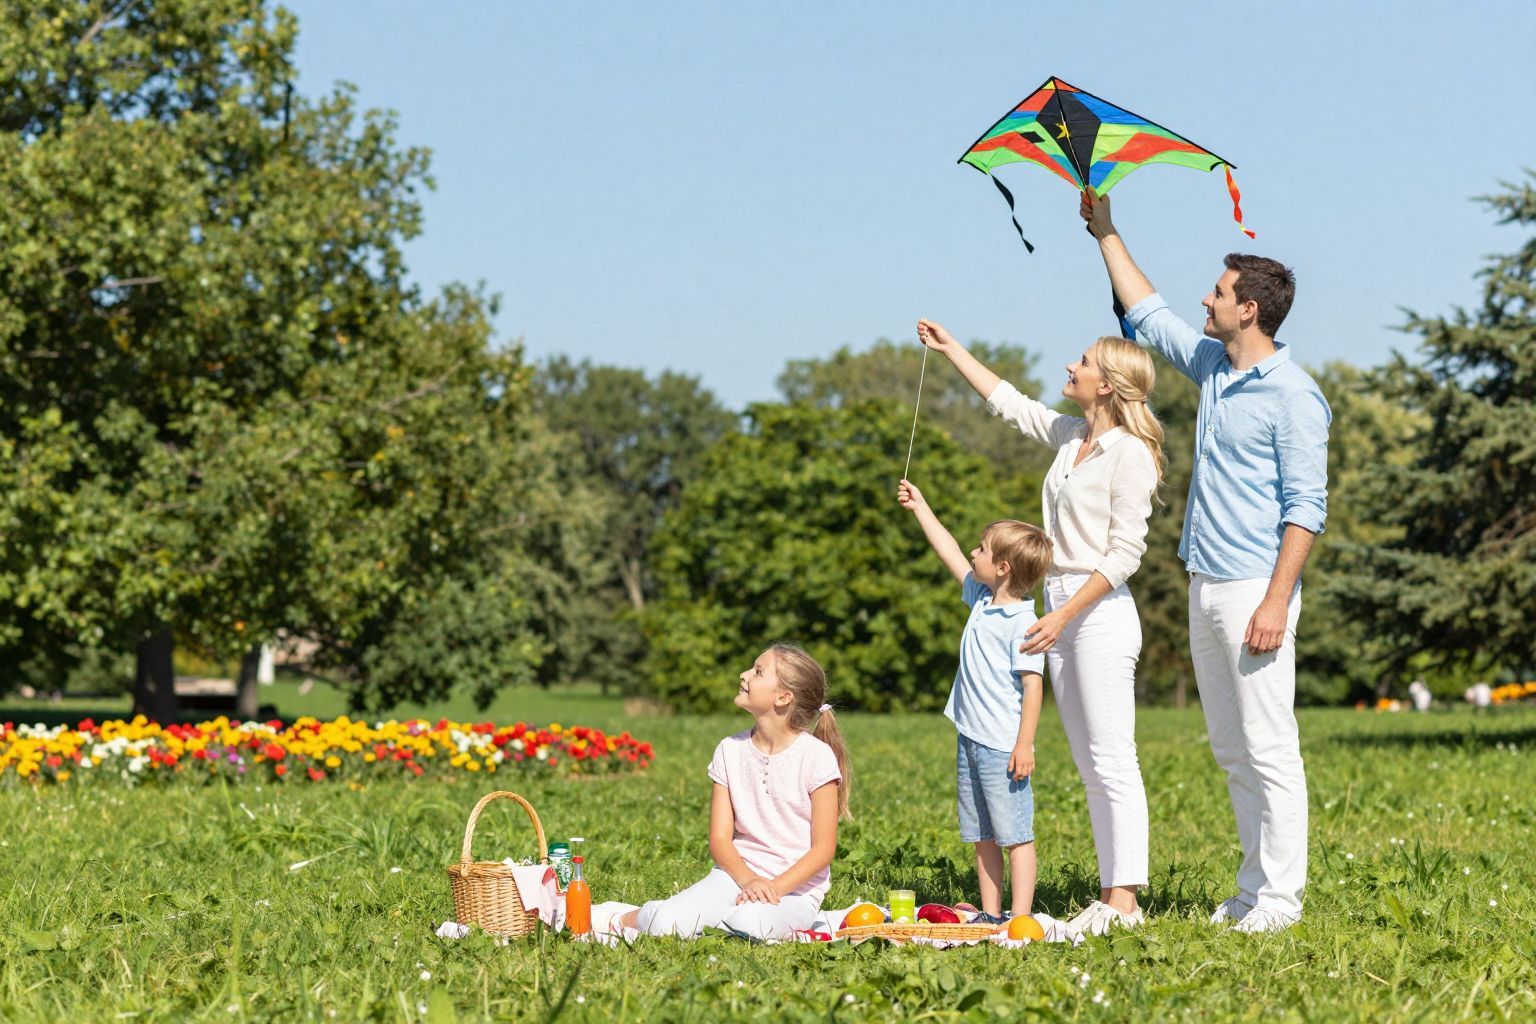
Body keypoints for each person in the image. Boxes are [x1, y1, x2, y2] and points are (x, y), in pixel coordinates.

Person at [1081, 190, 1331, 933]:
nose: (1207, 298)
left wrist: (1276, 601)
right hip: (1206, 585)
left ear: (1249, 308)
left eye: (1219, 291)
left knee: (1270, 746)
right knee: (1231, 749)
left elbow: (1304, 509)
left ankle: (1281, 901)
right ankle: (1252, 890)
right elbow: (1149, 310)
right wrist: (1105, 231)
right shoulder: (1215, 369)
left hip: (1257, 588)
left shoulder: (1295, 395)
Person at [915, 320, 1162, 936]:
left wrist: (1063, 612)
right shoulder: (1070, 437)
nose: (1070, 368)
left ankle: (1123, 901)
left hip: (1096, 612)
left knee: (1111, 757)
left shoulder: (1129, 454)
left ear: (1107, 385)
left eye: (1082, 362)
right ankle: (1110, 895)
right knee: (1087, 759)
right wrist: (953, 352)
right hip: (1056, 610)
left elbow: (1127, 550)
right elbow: (1010, 405)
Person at [618, 643, 851, 940]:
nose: (744, 675)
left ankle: (725, 915)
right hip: (734, 877)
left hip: (794, 891)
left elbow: (822, 851)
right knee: (666, 925)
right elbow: (719, 838)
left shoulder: (816, 757)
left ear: (783, 697)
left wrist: (772, 889)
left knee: (749, 925)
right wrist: (749, 880)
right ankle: (623, 914)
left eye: (757, 671)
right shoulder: (730, 750)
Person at [897, 480, 1052, 923]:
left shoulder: (1024, 622)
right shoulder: (982, 600)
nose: (972, 553)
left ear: (1002, 566)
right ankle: (990, 913)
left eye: (981, 549)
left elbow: (1034, 687)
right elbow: (947, 549)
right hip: (969, 738)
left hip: (1003, 747)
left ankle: (1019, 917)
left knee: (1015, 834)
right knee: (982, 834)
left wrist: (1025, 744)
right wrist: (922, 506)